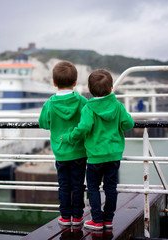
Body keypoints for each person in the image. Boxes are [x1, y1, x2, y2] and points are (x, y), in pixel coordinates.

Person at [61, 69, 134, 230]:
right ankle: (108, 219)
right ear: (111, 88)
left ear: (89, 89)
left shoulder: (89, 108)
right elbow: (128, 124)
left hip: (94, 157)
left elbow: (83, 128)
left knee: (93, 188)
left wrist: (68, 138)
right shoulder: (118, 106)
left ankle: (96, 220)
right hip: (114, 155)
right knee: (111, 188)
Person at [39, 61, 88, 226]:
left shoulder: (50, 103)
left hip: (60, 152)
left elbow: (43, 123)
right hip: (79, 151)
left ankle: (65, 217)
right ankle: (78, 216)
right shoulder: (82, 102)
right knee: (78, 185)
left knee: (64, 185)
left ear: (54, 83)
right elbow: (88, 121)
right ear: (75, 82)